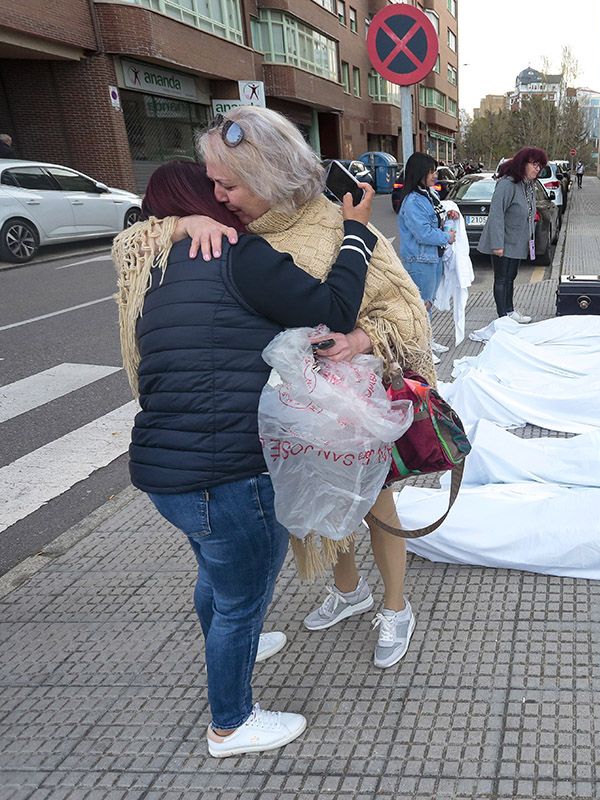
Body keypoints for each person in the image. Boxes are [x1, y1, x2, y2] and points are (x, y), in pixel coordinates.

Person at [117, 106, 435, 672]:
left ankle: (395, 606)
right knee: (305, 509)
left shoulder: (336, 225)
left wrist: (362, 340)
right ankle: (348, 590)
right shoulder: (233, 232)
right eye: (212, 182)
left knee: (373, 504)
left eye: (228, 184)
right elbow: (136, 240)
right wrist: (181, 224)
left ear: (267, 178)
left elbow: (407, 308)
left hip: (351, 407)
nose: (217, 195)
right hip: (285, 415)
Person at [113, 159, 376, 757]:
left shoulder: (153, 265)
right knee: (241, 596)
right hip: (227, 472)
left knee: (214, 572)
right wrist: (356, 229)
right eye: (219, 187)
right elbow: (332, 310)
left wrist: (178, 226)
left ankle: (238, 643)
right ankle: (230, 723)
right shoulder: (236, 252)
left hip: (166, 472)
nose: (229, 195)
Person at [396, 152, 459, 359]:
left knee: (427, 303)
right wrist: (446, 237)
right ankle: (421, 348)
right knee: (421, 305)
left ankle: (428, 341)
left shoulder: (429, 194)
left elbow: (435, 220)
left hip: (432, 258)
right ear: (419, 173)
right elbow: (423, 233)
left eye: (434, 171)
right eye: (431, 171)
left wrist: (448, 215)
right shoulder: (413, 201)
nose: (435, 175)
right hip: (420, 260)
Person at [477, 146, 547, 324]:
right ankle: (503, 317)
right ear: (523, 164)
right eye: (534, 164)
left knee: (511, 277)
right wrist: (497, 244)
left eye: (540, 166)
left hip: (517, 241)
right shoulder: (507, 184)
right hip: (504, 240)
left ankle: (509, 310)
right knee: (501, 278)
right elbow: (497, 214)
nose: (537, 169)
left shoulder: (528, 185)